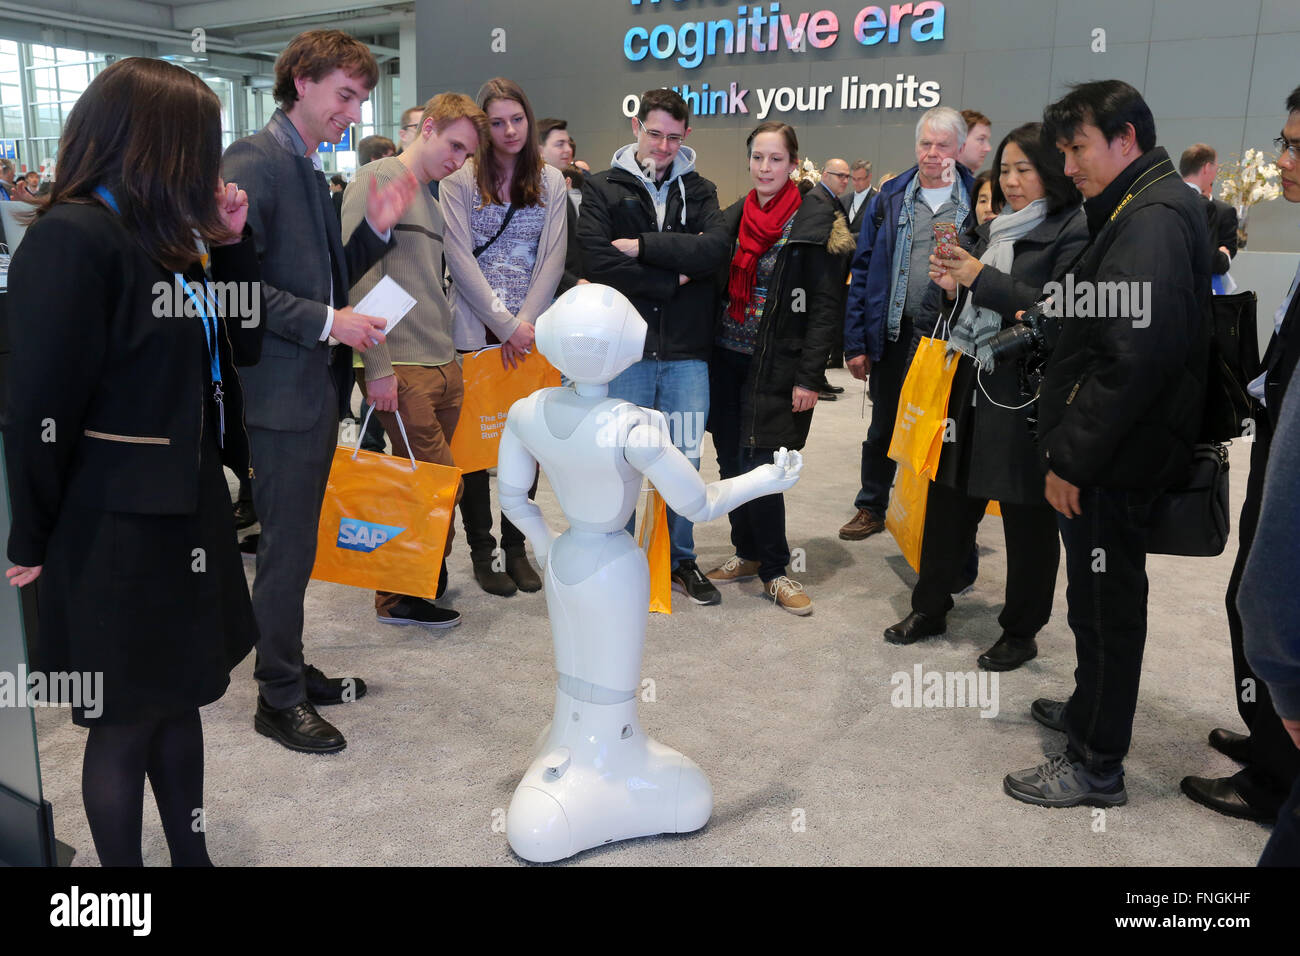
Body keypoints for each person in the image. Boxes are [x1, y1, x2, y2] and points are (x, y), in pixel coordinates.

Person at [3, 57, 263, 865]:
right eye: (200, 145)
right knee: (122, 724)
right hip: (111, 530)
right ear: (155, 144)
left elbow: (239, 346)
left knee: (178, 700)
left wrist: (232, 247)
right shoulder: (71, 238)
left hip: (185, 508)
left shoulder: (163, 243)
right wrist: (31, 538)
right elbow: (39, 409)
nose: (209, 166)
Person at [1004, 79, 1211, 808]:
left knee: (1106, 601)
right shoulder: (1139, 205)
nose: (1068, 164)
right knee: (1096, 601)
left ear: (1126, 139)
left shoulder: (1151, 217)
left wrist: (1071, 455)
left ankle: (1096, 762)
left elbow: (1134, 355)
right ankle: (1091, 706)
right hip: (1119, 449)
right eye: (1060, 150)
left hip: (1114, 457)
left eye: (1078, 147)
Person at [222, 29, 417, 755]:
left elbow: (321, 276)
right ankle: (277, 697)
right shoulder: (255, 161)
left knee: (297, 547)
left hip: (310, 386)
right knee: (286, 550)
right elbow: (237, 291)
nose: (353, 112)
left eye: (361, 99)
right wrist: (330, 322)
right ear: (300, 81)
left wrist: (373, 231)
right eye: (345, 95)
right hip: (280, 393)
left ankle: (287, 666)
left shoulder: (302, 163)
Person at [882, 123, 1086, 670]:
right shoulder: (990, 230)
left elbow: (1057, 314)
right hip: (966, 383)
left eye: (1026, 169)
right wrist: (949, 285)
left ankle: (1021, 631)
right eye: (1006, 170)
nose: (1013, 181)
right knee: (947, 503)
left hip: (1025, 397)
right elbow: (952, 305)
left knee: (1027, 520)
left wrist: (976, 277)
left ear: (1053, 171)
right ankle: (930, 606)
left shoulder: (1074, 231)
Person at [1182, 94, 1300, 825]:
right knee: (1244, 600)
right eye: (1283, 143)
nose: (1283, 160)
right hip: (1275, 435)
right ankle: (1265, 740)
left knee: (1266, 603)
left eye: (1295, 146)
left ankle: (1276, 780)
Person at [577, 87, 731, 606]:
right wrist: (672, 277)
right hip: (626, 353)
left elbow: (712, 251)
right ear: (636, 128)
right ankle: (617, 554)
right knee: (619, 458)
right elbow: (597, 261)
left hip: (688, 354)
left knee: (683, 458)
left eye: (673, 136)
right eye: (654, 133)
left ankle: (681, 559)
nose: (663, 145)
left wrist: (642, 247)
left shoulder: (702, 189)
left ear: (685, 135)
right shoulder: (602, 187)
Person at [344, 92, 487, 628]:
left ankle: (416, 578)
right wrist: (376, 368)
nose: (457, 160)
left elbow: (430, 284)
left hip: (441, 362)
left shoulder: (429, 196)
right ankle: (398, 593)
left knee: (428, 482)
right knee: (433, 482)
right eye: (453, 145)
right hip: (400, 365)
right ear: (426, 128)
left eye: (466, 154)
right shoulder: (377, 179)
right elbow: (359, 278)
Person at [705, 122, 851, 615]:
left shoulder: (814, 223)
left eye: (775, 159)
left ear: (793, 164)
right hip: (726, 358)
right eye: (758, 158)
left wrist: (810, 377)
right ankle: (745, 552)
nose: (765, 168)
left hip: (778, 365)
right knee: (729, 462)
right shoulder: (735, 215)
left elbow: (827, 307)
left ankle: (775, 569)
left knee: (764, 468)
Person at [441, 77, 566, 597]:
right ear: (483, 127)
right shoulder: (460, 179)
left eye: (517, 119)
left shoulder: (552, 180)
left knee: (525, 443)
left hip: (531, 335)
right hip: (473, 331)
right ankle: (482, 549)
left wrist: (524, 324)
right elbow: (458, 256)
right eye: (497, 122)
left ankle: (516, 547)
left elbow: (553, 256)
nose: (510, 130)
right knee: (475, 448)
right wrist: (503, 323)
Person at [840, 106, 975, 542]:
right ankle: (871, 505)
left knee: (946, 427)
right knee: (884, 423)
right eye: (925, 143)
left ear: (959, 149)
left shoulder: (976, 199)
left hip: (953, 337)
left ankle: (938, 514)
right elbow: (863, 271)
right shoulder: (891, 196)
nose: (932, 153)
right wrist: (855, 340)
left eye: (943, 145)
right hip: (897, 333)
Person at [1180, 143, 1238, 294]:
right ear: (1207, 168)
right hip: (1192, 291)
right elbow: (1208, 258)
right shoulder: (1203, 205)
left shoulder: (1162, 196)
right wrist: (1224, 256)